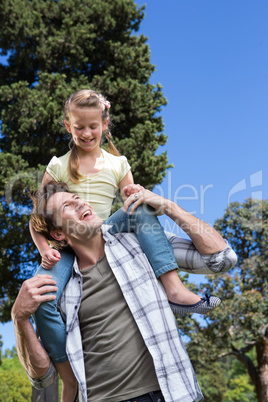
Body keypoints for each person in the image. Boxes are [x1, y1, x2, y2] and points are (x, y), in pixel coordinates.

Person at [29, 90, 224, 396]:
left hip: (106, 229)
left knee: (142, 208)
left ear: (104, 124)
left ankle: (174, 288)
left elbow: (131, 200)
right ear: (68, 126)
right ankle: (67, 377)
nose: (86, 133)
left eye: (93, 126)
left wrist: (139, 193)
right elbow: (39, 216)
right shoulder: (58, 165)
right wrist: (45, 249)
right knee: (43, 298)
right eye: (79, 127)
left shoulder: (117, 162)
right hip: (68, 245)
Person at [13, 181, 237, 402]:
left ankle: (176, 293)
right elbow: (43, 378)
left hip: (171, 394)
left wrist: (168, 206)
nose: (80, 205)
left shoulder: (141, 241)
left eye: (78, 199)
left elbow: (221, 259)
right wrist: (19, 318)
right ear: (59, 234)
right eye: (67, 207)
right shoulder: (56, 286)